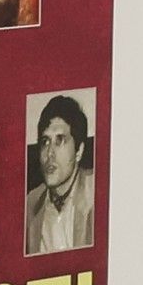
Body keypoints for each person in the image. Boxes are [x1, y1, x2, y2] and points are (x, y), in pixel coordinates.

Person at [24, 95, 96, 253]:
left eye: (60, 140)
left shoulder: (97, 192)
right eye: (45, 142)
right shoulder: (31, 204)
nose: (49, 153)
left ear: (79, 151)